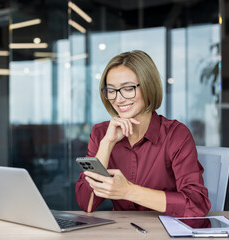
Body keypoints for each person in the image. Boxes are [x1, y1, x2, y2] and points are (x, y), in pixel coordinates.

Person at [75, 50, 211, 217]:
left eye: (128, 88)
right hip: (122, 231)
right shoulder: (102, 133)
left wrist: (128, 191)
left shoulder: (175, 134)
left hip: (165, 231)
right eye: (111, 90)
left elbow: (196, 205)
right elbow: (86, 204)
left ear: (148, 86)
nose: (118, 99)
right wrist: (107, 144)